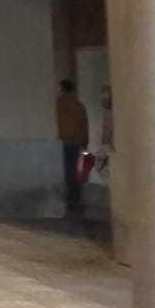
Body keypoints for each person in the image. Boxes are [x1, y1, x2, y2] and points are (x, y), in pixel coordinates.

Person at [55, 79, 89, 213]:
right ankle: (76, 200)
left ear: (63, 89)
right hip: (77, 142)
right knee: (77, 171)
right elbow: (84, 124)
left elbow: (61, 124)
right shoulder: (78, 105)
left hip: (65, 141)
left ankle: (70, 200)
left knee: (68, 172)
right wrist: (85, 141)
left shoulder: (60, 104)